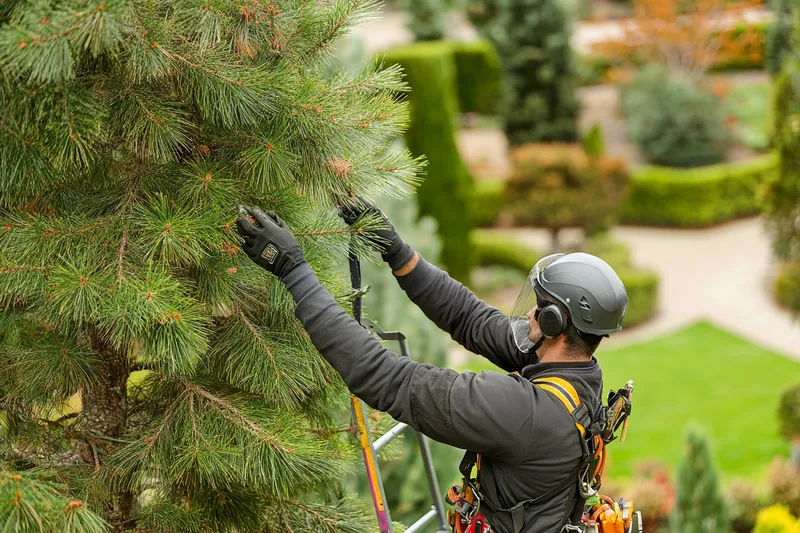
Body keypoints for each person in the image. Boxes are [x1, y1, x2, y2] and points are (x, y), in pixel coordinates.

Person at [235, 200, 629, 533]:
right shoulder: (579, 377)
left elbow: (385, 379)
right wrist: (396, 251)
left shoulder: (521, 412)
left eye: (537, 306)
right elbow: (469, 318)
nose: (528, 313)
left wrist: (294, 271)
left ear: (554, 323)